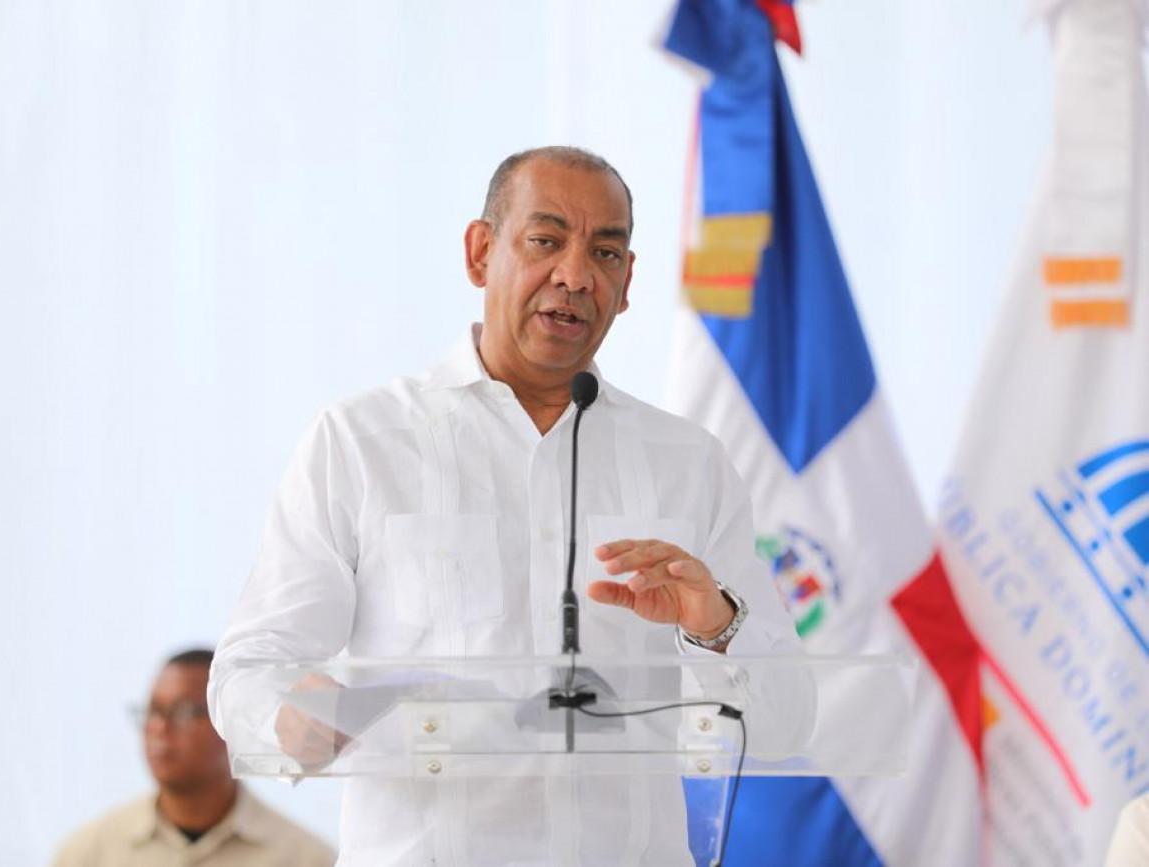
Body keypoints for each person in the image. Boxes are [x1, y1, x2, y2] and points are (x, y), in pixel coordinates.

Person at [210, 146, 804, 864]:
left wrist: (714, 626)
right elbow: (249, 669)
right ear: (480, 252)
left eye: (605, 252)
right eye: (546, 240)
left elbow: (785, 722)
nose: (576, 275)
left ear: (627, 283)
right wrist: (296, 713)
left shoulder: (688, 461)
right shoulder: (361, 442)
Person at [55, 648, 334, 867]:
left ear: (229, 725)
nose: (160, 729)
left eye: (183, 713)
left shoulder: (306, 859)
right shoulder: (88, 855)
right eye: (154, 711)